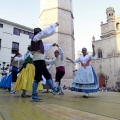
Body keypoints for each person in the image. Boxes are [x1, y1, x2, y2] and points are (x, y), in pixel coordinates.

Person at [31, 22, 59, 102]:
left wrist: (51, 45)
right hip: (38, 60)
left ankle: (53, 89)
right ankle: (33, 95)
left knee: (47, 75)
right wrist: (54, 25)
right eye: (39, 32)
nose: (41, 33)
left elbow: (44, 47)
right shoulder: (36, 37)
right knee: (37, 77)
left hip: (40, 60)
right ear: (37, 32)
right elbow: (44, 33)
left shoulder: (38, 40)